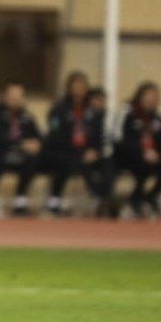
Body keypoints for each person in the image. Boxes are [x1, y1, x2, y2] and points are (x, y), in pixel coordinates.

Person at [42, 70, 107, 216]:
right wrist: (77, 151)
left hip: (87, 152)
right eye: (75, 85)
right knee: (66, 161)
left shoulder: (93, 111)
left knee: (107, 163)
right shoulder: (58, 109)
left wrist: (95, 151)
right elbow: (54, 133)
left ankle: (104, 197)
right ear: (69, 87)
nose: (78, 89)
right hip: (64, 151)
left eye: (82, 86)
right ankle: (54, 200)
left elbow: (99, 136)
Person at [111, 81, 161, 219]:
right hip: (128, 156)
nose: (151, 100)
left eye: (155, 97)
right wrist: (141, 151)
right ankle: (136, 199)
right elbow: (118, 140)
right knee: (144, 163)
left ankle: (152, 195)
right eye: (148, 96)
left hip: (152, 156)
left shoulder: (159, 118)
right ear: (140, 96)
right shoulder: (126, 113)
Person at [0, 82, 43, 217]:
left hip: (21, 155)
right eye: (13, 97)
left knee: (34, 159)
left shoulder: (26, 116)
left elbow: (37, 136)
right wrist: (20, 143)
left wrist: (36, 143)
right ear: (5, 97)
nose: (16, 100)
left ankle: (20, 202)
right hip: (0, 152)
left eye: (19, 97)